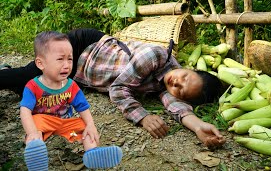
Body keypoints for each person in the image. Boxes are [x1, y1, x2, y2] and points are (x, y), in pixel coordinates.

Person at [1, 28, 226, 148]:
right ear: (187, 68)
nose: (177, 83)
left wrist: (198, 127)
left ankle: (9, 73)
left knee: (35, 92)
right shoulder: (156, 55)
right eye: (184, 77)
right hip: (85, 49)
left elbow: (177, 107)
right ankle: (10, 74)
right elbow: (118, 89)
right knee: (30, 75)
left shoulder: (168, 88)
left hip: (84, 76)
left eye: (182, 90)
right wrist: (143, 117)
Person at [19, 31, 122, 170]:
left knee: (84, 127)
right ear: (40, 63)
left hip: (65, 124)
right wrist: (31, 132)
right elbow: (25, 111)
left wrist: (91, 124)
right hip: (44, 125)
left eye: (70, 59)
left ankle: (91, 153)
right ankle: (36, 151)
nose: (67, 65)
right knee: (35, 123)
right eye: (60, 59)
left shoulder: (71, 85)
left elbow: (82, 107)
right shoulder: (33, 86)